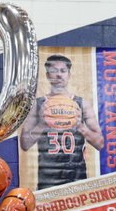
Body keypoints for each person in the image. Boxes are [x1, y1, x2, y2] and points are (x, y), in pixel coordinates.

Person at [19, 54, 104, 189]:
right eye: (54, 71)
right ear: (47, 75)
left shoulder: (81, 104)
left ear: (69, 75)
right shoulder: (38, 105)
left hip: (77, 177)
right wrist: (42, 124)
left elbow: (100, 143)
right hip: (48, 180)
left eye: (63, 71)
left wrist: (80, 126)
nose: (59, 75)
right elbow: (24, 144)